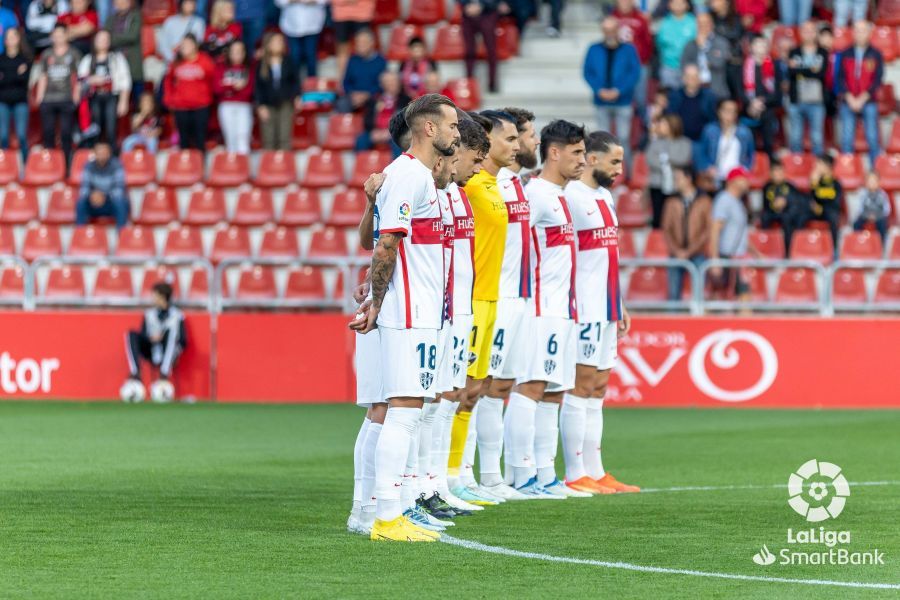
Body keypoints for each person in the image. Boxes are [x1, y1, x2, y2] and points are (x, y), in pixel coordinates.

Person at [352, 94, 460, 542]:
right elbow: (385, 246)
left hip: (419, 310)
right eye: (452, 125)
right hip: (408, 310)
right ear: (430, 129)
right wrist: (378, 303)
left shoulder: (413, 178)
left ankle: (382, 512)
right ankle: (387, 516)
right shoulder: (408, 176)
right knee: (403, 411)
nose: (457, 132)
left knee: (405, 411)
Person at [504, 120, 584, 497]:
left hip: (563, 309)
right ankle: (520, 475)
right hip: (539, 307)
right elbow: (512, 246)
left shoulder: (561, 195)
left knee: (554, 392)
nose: (583, 161)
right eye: (577, 153)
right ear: (554, 152)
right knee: (531, 387)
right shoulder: (534, 194)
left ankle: (545, 474)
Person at [447, 110, 521, 507]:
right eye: (508, 138)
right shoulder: (471, 186)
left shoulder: (492, 184)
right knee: (462, 391)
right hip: (472, 299)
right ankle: (448, 475)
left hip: (491, 299)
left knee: (475, 390)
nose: (516, 145)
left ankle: (460, 473)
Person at [562, 130, 638, 495]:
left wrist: (619, 302)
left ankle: (597, 469)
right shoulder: (572, 196)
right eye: (614, 161)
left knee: (599, 388)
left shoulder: (604, 196)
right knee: (581, 386)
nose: (620, 169)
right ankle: (575, 472)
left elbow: (609, 254)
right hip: (584, 305)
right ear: (592, 159)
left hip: (607, 304)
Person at [583, 16, 640, 171]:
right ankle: (603, 171)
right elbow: (588, 72)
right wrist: (598, 89)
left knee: (624, 139)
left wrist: (619, 91)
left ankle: (625, 173)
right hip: (601, 101)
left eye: (612, 30)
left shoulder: (629, 49)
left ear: (617, 30)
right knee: (603, 140)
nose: (609, 33)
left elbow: (634, 73)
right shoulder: (593, 48)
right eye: (606, 30)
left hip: (623, 101)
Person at [123, 281, 188, 402]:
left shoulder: (177, 315)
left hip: (170, 352)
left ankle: (164, 374)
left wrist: (163, 338)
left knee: (172, 333)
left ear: (163, 297)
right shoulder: (149, 314)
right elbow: (143, 333)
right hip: (152, 350)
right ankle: (136, 373)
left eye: (155, 295)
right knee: (131, 334)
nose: (152, 298)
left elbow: (184, 340)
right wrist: (151, 338)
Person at [836, 20, 883, 164]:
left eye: (863, 30)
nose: (859, 33)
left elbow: (878, 79)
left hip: (868, 100)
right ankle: (847, 168)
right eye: (857, 30)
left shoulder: (876, 54)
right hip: (848, 100)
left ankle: (875, 172)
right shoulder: (844, 53)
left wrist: (863, 97)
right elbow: (839, 77)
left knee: (873, 137)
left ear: (869, 33)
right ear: (853, 33)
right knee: (846, 138)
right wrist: (849, 97)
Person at [36, 24, 82, 170]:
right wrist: (40, 96)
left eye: (61, 34)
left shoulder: (74, 54)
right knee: (48, 132)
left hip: (66, 98)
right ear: (52, 37)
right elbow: (43, 76)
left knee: (66, 133)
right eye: (55, 35)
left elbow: (79, 77)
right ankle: (50, 166)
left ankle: (67, 167)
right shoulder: (47, 54)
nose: (58, 37)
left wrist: (76, 95)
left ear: (67, 35)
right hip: (48, 99)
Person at [662, 166, 711, 300]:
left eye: (678, 178)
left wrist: (690, 251)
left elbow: (707, 230)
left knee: (698, 294)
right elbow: (666, 229)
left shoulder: (704, 201)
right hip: (676, 254)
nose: (676, 181)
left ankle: (698, 319)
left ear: (688, 179)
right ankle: (672, 319)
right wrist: (676, 250)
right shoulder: (671, 202)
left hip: (698, 254)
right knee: (673, 293)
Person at [77, 28, 131, 147]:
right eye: (100, 39)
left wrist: (123, 101)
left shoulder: (116, 58)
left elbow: (125, 80)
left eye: (106, 39)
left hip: (111, 96)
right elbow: (80, 80)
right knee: (95, 129)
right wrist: (92, 80)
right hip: (94, 97)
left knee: (111, 129)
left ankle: (112, 156)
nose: (103, 42)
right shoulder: (88, 59)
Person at [162, 33, 215, 151]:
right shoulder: (175, 63)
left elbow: (213, 80)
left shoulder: (205, 61)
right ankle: (186, 167)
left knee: (200, 139)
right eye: (182, 45)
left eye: (187, 44)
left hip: (201, 106)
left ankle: (200, 166)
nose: (184, 47)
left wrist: (208, 98)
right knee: (184, 140)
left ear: (195, 46)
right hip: (181, 107)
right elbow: (168, 82)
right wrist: (169, 100)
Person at [709, 166, 751, 301]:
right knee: (720, 297)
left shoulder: (738, 203)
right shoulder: (724, 200)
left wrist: (757, 254)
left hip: (738, 257)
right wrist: (715, 259)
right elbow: (715, 229)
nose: (746, 182)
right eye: (743, 178)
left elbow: (740, 234)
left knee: (742, 296)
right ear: (733, 181)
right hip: (726, 256)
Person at [787, 21, 828, 157]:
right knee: (795, 137)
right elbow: (791, 73)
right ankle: (796, 168)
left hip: (816, 101)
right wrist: (811, 70)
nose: (808, 34)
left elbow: (821, 74)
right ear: (800, 33)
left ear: (816, 33)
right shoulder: (793, 51)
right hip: (796, 100)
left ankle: (818, 169)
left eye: (811, 30)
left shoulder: (823, 52)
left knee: (817, 138)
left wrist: (799, 69)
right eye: (805, 30)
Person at [254, 32, 300, 151]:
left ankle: (284, 166)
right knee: (268, 139)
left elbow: (295, 81)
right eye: (275, 42)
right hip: (267, 104)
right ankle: (270, 168)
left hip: (286, 103)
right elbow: (258, 87)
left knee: (284, 137)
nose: (278, 44)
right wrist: (260, 106)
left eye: (280, 41)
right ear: (268, 45)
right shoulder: (261, 64)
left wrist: (296, 97)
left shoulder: (289, 61)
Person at [646, 113, 692, 229]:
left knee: (677, 216)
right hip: (657, 185)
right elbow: (650, 159)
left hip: (677, 185)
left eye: (664, 124)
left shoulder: (685, 142)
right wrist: (669, 163)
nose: (660, 127)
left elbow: (683, 159)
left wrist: (665, 159)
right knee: (658, 216)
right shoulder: (655, 142)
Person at [696, 98, 755, 186]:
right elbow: (701, 152)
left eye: (733, 111)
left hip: (736, 177)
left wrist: (744, 169)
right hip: (716, 177)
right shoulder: (709, 130)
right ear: (719, 112)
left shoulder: (744, 132)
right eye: (726, 110)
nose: (729, 114)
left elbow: (751, 154)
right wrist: (708, 167)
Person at [740, 34, 781, 158]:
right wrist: (751, 103)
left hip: (767, 110)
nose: (761, 48)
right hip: (749, 110)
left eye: (764, 45)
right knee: (748, 145)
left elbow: (778, 92)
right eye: (758, 44)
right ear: (751, 47)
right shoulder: (743, 66)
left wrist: (762, 102)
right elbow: (739, 90)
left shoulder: (774, 65)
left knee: (769, 144)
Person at [611, 0, 653, 122]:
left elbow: (648, 43)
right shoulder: (612, 18)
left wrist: (642, 60)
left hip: (639, 65)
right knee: (620, 100)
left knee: (641, 100)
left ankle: (645, 129)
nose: (624, 3)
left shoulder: (641, 19)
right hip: (619, 68)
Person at [75, 140, 128, 227]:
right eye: (100, 152)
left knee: (121, 202)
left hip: (110, 202)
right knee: (81, 203)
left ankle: (121, 236)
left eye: (104, 152)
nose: (102, 155)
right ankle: (80, 234)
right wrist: (91, 195)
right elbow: (84, 187)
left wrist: (104, 196)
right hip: (94, 202)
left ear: (109, 153)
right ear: (94, 154)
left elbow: (119, 188)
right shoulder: (88, 166)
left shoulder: (117, 165)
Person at [680, 11, 731, 101]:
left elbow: (719, 64)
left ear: (712, 24)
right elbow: (684, 66)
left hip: (716, 89)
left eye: (705, 23)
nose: (703, 26)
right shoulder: (690, 44)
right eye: (700, 23)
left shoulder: (721, 42)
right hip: (695, 89)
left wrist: (703, 48)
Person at [214, 39, 253, 154]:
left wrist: (227, 85)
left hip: (244, 105)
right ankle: (232, 168)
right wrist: (233, 87)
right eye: (234, 51)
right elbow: (217, 89)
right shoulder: (221, 67)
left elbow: (248, 91)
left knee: (243, 137)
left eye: (240, 51)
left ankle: (243, 168)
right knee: (230, 140)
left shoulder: (249, 68)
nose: (237, 54)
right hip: (226, 106)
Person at [354, 71, 410, 152]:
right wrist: (373, 131)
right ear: (382, 85)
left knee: (399, 141)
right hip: (376, 132)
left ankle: (396, 164)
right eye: (389, 82)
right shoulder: (374, 100)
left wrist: (389, 133)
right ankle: (363, 164)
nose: (392, 84)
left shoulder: (405, 100)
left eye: (394, 81)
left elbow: (406, 121)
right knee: (361, 140)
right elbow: (367, 120)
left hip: (395, 133)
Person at [0, 28, 31, 163]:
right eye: (8, 37)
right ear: (5, 41)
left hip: (21, 101)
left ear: (19, 39)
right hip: (2, 102)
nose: (11, 39)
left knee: (22, 136)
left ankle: (26, 166)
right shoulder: (1, 59)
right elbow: (17, 79)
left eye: (13, 36)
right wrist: (16, 75)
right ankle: (5, 165)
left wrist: (6, 76)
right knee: (3, 136)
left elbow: (25, 80)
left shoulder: (25, 59)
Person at [761, 160, 804, 254]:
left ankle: (788, 251)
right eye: (775, 171)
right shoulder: (767, 187)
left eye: (779, 171)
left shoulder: (790, 187)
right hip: (771, 212)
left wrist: (786, 202)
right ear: (771, 173)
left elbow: (795, 205)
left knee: (787, 219)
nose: (777, 174)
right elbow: (765, 205)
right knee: (764, 217)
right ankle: (765, 247)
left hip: (787, 214)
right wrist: (774, 205)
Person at [275, 0, 325, 80]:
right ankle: (294, 87)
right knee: (294, 58)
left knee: (311, 57)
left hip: (313, 26)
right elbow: (279, 2)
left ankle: (312, 89)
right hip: (291, 26)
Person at [338, 28, 386, 113]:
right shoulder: (353, 60)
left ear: (372, 43)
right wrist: (353, 94)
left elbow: (382, 85)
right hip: (353, 96)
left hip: (372, 96)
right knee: (342, 103)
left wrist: (367, 95)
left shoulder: (381, 61)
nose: (360, 45)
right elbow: (346, 82)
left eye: (364, 42)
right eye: (358, 42)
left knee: (378, 105)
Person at [666, 64, 717, 143]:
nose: (692, 79)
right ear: (683, 78)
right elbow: (670, 117)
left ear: (699, 79)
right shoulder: (675, 96)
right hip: (679, 141)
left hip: (701, 141)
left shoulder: (709, 97)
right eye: (689, 76)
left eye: (695, 76)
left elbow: (713, 120)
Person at [805, 154, 843, 254]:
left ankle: (834, 251)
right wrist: (813, 184)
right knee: (800, 215)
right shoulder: (816, 181)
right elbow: (812, 199)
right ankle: (803, 247)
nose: (816, 167)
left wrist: (822, 208)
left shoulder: (836, 183)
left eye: (819, 164)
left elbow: (836, 203)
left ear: (827, 166)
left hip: (829, 211)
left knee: (833, 217)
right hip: (816, 211)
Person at [654, 0, 696, 90]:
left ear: (687, 5)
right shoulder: (664, 23)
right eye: (675, 3)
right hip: (668, 66)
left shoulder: (693, 22)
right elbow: (659, 44)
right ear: (670, 5)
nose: (678, 6)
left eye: (681, 3)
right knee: (669, 97)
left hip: (688, 68)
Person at [459, 0, 499, 93]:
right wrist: (466, 5)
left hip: (487, 13)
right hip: (468, 13)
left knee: (491, 51)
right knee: (469, 51)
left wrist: (481, 5)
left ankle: (492, 84)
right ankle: (469, 82)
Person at [107, 0, 142, 101]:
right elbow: (105, 36)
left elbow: (132, 36)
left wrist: (112, 39)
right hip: (115, 61)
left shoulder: (135, 16)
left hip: (132, 61)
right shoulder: (111, 19)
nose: (121, 3)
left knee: (136, 97)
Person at [331, 0, 374, 77]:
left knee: (364, 47)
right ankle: (343, 79)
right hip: (341, 14)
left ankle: (364, 78)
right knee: (342, 49)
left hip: (363, 13)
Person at [158, 0, 205, 64]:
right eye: (186, 2)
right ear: (181, 4)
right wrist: (172, 59)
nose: (189, 5)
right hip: (171, 61)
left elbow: (198, 43)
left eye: (191, 3)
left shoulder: (198, 23)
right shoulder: (170, 22)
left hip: (191, 62)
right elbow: (163, 44)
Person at [853, 171, 891, 244]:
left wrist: (877, 216)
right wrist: (867, 216)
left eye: (874, 181)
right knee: (856, 224)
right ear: (865, 183)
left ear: (879, 182)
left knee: (883, 224)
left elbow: (887, 209)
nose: (872, 183)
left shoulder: (883, 194)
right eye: (869, 181)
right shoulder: (862, 194)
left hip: (879, 216)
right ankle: (859, 242)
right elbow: (859, 208)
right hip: (865, 215)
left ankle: (881, 244)